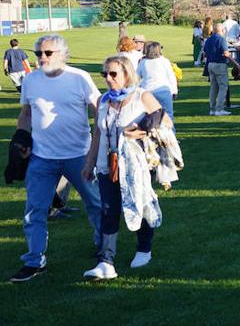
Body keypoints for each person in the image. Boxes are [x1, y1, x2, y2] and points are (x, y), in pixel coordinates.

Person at [9, 35, 103, 283]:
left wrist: (97, 149)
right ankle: (34, 260)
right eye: (39, 52)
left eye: (48, 53)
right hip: (42, 158)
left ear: (63, 54)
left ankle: (104, 249)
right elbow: (27, 114)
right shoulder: (31, 80)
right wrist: (21, 139)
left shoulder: (79, 78)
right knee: (34, 210)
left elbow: (98, 112)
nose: (42, 57)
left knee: (95, 204)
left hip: (79, 156)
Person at [80, 55, 167, 280]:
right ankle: (106, 262)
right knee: (109, 210)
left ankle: (144, 248)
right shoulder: (103, 100)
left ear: (127, 73)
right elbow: (98, 132)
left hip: (135, 164)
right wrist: (89, 163)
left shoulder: (141, 96)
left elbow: (163, 120)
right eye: (104, 74)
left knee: (140, 204)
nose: (108, 78)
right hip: (106, 165)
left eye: (113, 74)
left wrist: (138, 128)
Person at [136, 41, 178, 118]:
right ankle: (170, 129)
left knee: (149, 115)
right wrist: (174, 90)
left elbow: (136, 78)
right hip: (164, 90)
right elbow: (171, 77)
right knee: (168, 114)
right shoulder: (164, 61)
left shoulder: (143, 62)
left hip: (148, 90)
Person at [203, 26, 234, 117]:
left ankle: (212, 109)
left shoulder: (208, 40)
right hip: (220, 64)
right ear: (222, 30)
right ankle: (219, 109)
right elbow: (225, 53)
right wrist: (230, 55)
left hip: (210, 64)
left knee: (213, 87)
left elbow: (205, 53)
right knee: (223, 86)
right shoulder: (221, 39)